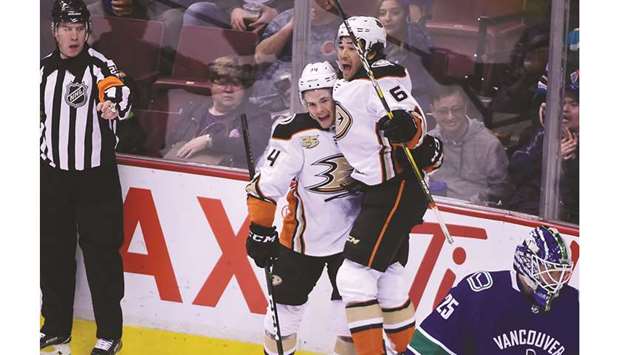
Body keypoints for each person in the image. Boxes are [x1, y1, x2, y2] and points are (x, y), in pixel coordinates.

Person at [332, 16, 443, 355]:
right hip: (380, 189)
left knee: (353, 276)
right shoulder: (347, 82)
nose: (344, 53)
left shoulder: (384, 76)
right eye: (341, 45)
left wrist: (406, 128)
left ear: (373, 51)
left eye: (354, 47)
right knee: (389, 278)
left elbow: (411, 117)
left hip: (396, 186)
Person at [244, 62, 361, 355]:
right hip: (300, 241)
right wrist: (259, 230)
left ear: (339, 95)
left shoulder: (362, 125)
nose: (319, 110)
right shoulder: (293, 131)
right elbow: (265, 187)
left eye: (324, 100)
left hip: (351, 240)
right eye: (311, 103)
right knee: (281, 321)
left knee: (351, 324)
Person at [40, 1, 132, 354]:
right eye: (66, 27)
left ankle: (110, 333)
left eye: (79, 28)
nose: (73, 35)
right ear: (55, 30)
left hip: (96, 179)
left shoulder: (99, 67)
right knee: (53, 253)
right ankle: (56, 327)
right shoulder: (43, 72)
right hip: (53, 178)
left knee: (102, 258)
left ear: (88, 29)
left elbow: (119, 90)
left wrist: (114, 105)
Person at [406, 225, 578, 354]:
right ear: (527, 264)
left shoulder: (576, 307)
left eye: (562, 274)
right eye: (551, 273)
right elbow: (426, 349)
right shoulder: (478, 294)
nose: (557, 282)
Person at [162, 56, 272, 168]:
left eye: (235, 84)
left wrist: (209, 141)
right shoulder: (192, 109)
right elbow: (171, 144)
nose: (228, 89)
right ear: (211, 85)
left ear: (245, 88)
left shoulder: (257, 115)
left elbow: (254, 146)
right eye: (222, 83)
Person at [508, 76, 579, 223]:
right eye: (562, 103)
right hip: (532, 218)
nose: (565, 109)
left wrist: (569, 164)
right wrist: (550, 158)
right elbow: (515, 171)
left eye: (574, 104)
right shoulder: (541, 134)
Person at [427, 84, 512, 205]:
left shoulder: (489, 144)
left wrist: (483, 198)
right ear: (432, 111)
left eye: (456, 109)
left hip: (476, 211)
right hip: (437, 209)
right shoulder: (428, 142)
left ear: (465, 108)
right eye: (443, 111)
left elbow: (503, 189)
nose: (450, 117)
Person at [251, 0, 341, 109]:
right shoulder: (286, 18)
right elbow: (260, 57)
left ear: (327, 3)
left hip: (315, 104)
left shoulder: (341, 29)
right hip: (268, 101)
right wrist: (290, 26)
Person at [377, 0, 435, 113]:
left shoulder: (417, 40)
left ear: (406, 15)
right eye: (382, 13)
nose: (388, 18)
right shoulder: (375, 43)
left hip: (414, 107)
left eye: (395, 13)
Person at [183, 0, 293, 33]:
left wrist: (277, 12)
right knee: (198, 11)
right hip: (234, 12)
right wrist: (234, 8)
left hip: (276, 15)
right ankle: (194, 73)